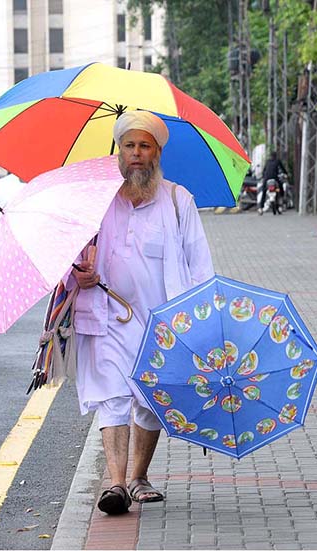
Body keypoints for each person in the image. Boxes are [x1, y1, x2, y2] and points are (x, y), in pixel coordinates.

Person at [71, 111, 214, 515]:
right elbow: (73, 257)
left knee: (151, 401)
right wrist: (79, 275)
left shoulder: (176, 199)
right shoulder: (96, 202)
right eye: (129, 145)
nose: (136, 153)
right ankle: (116, 484)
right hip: (106, 317)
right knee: (112, 397)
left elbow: (200, 264)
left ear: (157, 153)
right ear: (119, 151)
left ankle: (137, 476)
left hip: (162, 324)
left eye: (144, 146)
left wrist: (202, 323)